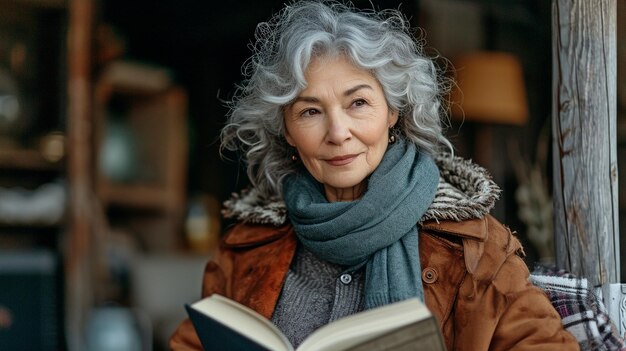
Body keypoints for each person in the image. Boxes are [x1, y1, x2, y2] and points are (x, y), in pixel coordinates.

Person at [170, 1, 579, 350]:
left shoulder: (473, 247)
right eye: (310, 111)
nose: (337, 133)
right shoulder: (246, 247)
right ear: (288, 132)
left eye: (358, 103)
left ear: (393, 112)